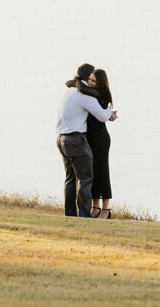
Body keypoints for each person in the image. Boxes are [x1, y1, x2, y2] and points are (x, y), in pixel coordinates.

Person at [55, 63, 117, 217]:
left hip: (61, 138)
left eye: (93, 80)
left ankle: (70, 214)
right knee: (85, 178)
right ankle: (84, 215)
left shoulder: (70, 91)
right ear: (87, 77)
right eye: (90, 79)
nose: (91, 82)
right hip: (75, 140)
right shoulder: (83, 94)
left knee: (70, 179)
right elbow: (103, 116)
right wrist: (110, 113)